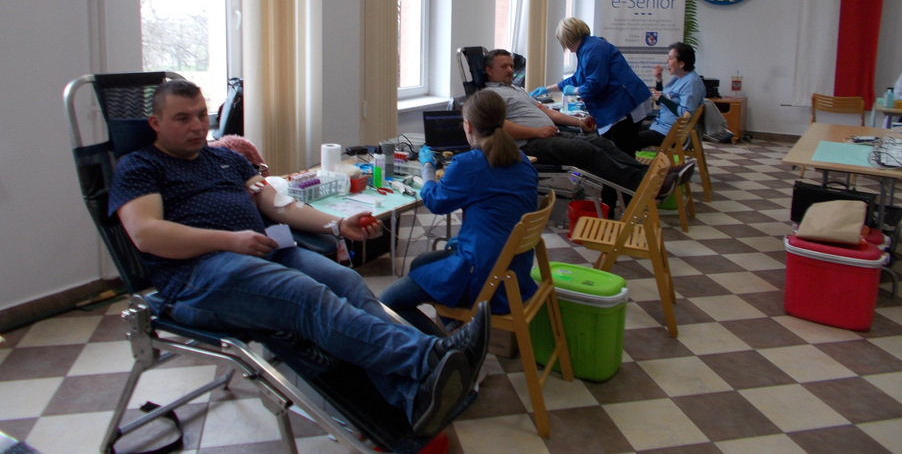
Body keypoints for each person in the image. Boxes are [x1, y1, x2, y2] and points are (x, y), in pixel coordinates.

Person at [108, 79, 490, 439]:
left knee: (346, 282)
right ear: (155, 123)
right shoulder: (140, 167)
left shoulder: (224, 159)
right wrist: (229, 240)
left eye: (200, 115)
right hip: (199, 272)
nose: (196, 125)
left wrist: (337, 225)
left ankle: (412, 397)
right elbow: (146, 234)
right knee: (304, 294)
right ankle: (429, 357)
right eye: (182, 118)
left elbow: (279, 206)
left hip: (264, 252)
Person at [380, 89, 539, 335]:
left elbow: (435, 202)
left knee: (389, 301)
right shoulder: (521, 159)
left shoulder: (468, 164)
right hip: (514, 272)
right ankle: (455, 327)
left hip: (485, 276)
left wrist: (427, 166)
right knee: (422, 262)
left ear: (468, 125)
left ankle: (447, 349)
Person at [483, 49, 690, 212]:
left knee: (602, 142)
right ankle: (648, 184)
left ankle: (653, 175)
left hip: (548, 135)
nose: (510, 69)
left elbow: (547, 111)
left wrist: (579, 123)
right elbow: (499, 127)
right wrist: (536, 132)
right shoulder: (489, 95)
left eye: (511, 65)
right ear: (489, 70)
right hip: (529, 144)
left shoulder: (516, 89)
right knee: (586, 151)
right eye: (504, 66)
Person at [531, 18, 652, 155]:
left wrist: (575, 91)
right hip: (620, 104)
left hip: (626, 104)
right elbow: (577, 78)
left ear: (567, 39)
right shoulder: (587, 48)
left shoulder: (593, 49)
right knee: (612, 150)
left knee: (622, 151)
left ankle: (630, 169)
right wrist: (548, 89)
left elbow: (595, 84)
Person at [635, 42, 706, 150]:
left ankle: (628, 161)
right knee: (625, 131)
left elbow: (685, 113)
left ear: (681, 64)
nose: (666, 61)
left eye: (670, 58)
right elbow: (661, 102)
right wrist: (659, 81)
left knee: (627, 139)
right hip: (661, 126)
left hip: (670, 133)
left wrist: (662, 98)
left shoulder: (691, 83)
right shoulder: (679, 78)